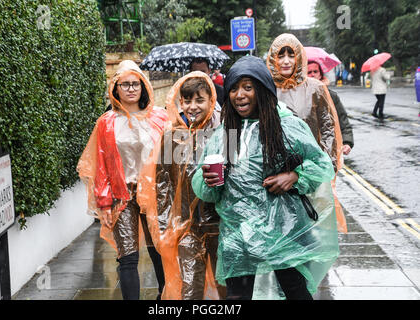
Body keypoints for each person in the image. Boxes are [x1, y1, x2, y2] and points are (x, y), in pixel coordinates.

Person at [191, 55, 339, 300]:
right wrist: (207, 182)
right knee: (237, 297)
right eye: (234, 88)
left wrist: (295, 176)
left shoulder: (287, 127)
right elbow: (202, 184)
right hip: (238, 231)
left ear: (263, 90)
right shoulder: (225, 134)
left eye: (248, 87)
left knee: (295, 292)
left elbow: (322, 165)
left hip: (283, 228)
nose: (240, 95)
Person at [77, 60, 168, 300]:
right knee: (127, 256)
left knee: (159, 249)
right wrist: (104, 203)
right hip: (122, 195)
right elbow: (101, 166)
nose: (130, 89)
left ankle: (165, 297)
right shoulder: (106, 122)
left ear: (143, 86)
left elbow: (171, 159)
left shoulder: (159, 118)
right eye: (124, 84)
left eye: (135, 84)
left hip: (154, 194)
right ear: (115, 88)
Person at [138, 71, 225, 300]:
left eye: (199, 100)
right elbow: (162, 186)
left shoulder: (224, 133)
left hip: (221, 226)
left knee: (226, 285)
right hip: (187, 227)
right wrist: (167, 226)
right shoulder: (171, 137)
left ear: (211, 101)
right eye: (187, 100)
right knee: (189, 288)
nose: (192, 106)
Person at [267, 33, 347, 233]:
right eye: (280, 55)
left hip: (310, 177)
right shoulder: (265, 89)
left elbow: (329, 132)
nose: (286, 61)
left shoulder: (316, 89)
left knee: (313, 238)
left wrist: (319, 172)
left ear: (299, 57)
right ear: (272, 58)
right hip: (274, 179)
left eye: (291, 55)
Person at [308, 61, 354, 155]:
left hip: (329, 148)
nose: (312, 75)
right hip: (307, 148)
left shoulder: (331, 96)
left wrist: (347, 142)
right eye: (309, 72)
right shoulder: (297, 96)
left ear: (320, 75)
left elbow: (343, 120)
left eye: (315, 71)